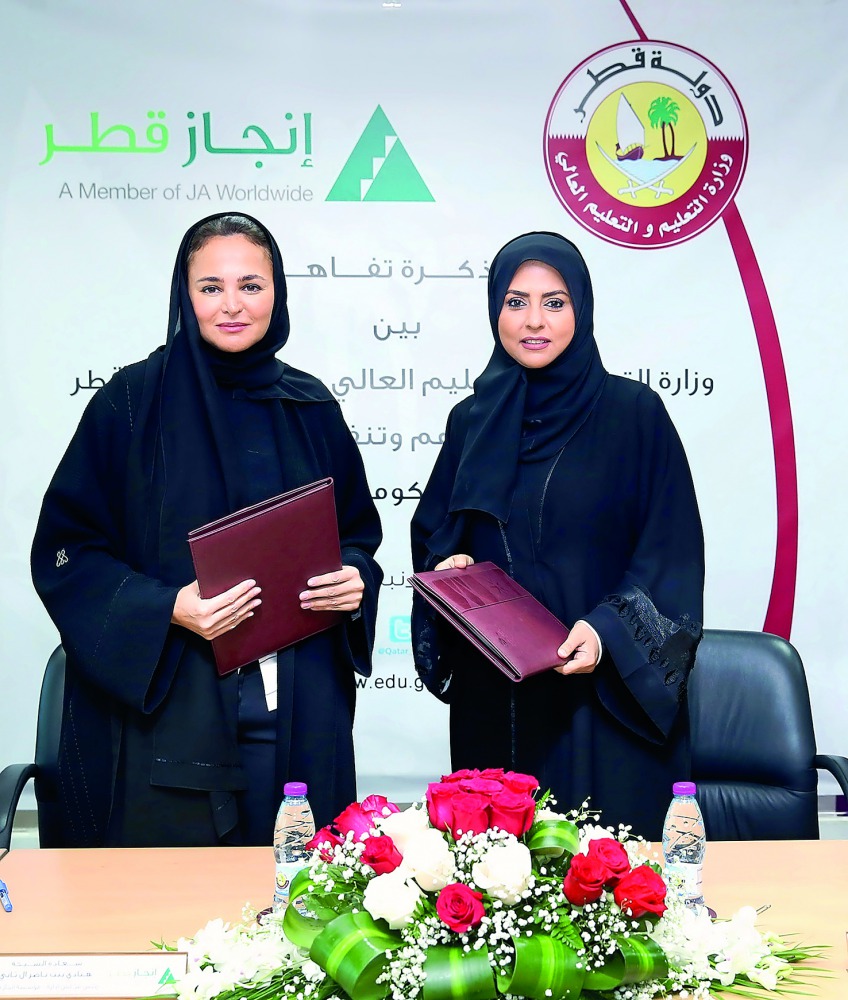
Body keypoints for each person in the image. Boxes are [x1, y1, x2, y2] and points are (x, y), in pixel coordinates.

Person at [31, 212, 383, 847]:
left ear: (276, 293)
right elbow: (67, 550)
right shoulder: (130, 406)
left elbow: (357, 533)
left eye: (251, 285)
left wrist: (355, 578)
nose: (232, 305)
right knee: (177, 922)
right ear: (182, 293)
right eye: (210, 287)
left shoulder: (309, 406)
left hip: (296, 708)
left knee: (298, 910)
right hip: (167, 719)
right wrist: (168, 608)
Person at [411, 231, 704, 841]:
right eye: (515, 302)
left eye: (555, 301)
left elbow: (670, 550)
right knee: (494, 890)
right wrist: (450, 565)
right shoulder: (473, 419)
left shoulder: (633, 414)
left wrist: (606, 630)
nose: (533, 321)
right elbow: (437, 530)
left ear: (583, 309)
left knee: (608, 897)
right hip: (496, 695)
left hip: (601, 694)